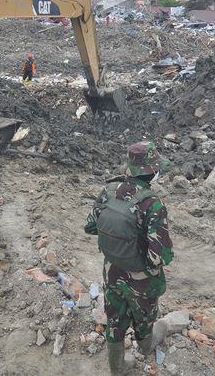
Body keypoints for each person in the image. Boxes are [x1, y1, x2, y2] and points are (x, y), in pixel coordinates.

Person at [85, 141, 173, 375]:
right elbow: (159, 256)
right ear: (152, 171)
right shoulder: (152, 204)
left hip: (112, 270)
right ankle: (147, 345)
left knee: (115, 319)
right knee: (144, 319)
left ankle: (117, 367)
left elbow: (91, 226)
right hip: (140, 279)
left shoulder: (108, 191)